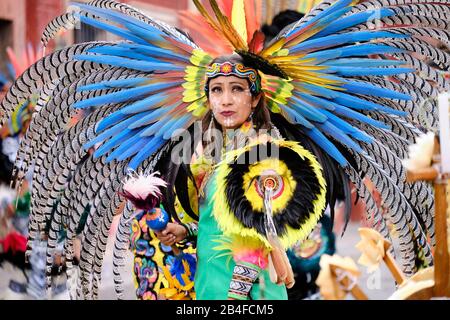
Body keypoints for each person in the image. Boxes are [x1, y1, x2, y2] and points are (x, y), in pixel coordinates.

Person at [0, 0, 444, 300]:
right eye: (217, 90)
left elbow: (257, 234)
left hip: (249, 289)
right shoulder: (204, 147)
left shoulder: (267, 150)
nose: (226, 99)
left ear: (255, 98)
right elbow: (221, 219)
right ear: (205, 97)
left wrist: (236, 293)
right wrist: (188, 233)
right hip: (209, 282)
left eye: (236, 90)